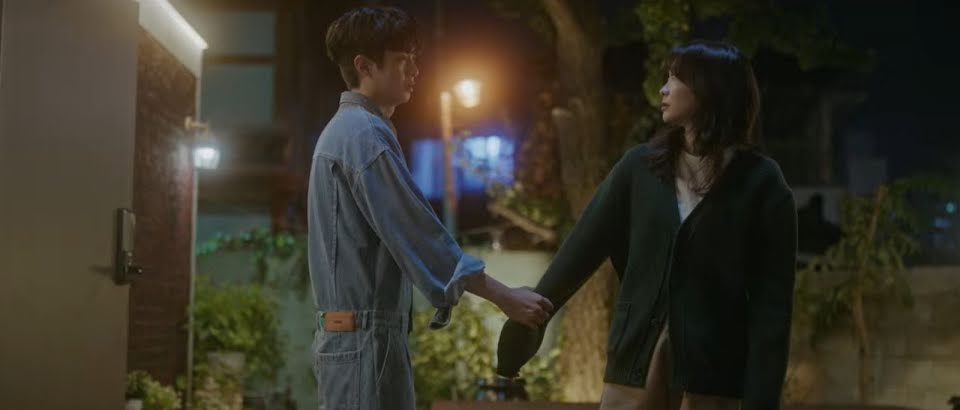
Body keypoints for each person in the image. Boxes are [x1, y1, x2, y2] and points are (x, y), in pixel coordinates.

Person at [496, 40, 798, 410]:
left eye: (675, 79)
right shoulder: (639, 168)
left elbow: (772, 306)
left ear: (709, 89)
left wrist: (761, 399)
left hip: (714, 377)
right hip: (634, 368)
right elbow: (580, 250)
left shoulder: (762, 183)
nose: (663, 90)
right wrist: (527, 326)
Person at [308, 6, 553, 410]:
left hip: (360, 337)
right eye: (401, 60)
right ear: (364, 66)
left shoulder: (353, 131)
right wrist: (504, 296)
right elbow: (418, 233)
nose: (414, 69)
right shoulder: (363, 135)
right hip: (363, 340)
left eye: (414, 58)